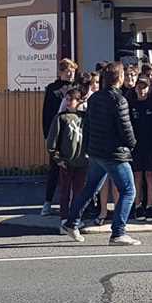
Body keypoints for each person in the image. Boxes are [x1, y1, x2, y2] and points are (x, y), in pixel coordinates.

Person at [63, 62, 140, 245]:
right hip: (114, 153)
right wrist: (133, 144)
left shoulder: (95, 98)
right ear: (119, 78)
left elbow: (87, 124)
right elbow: (125, 127)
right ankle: (118, 232)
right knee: (128, 190)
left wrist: (88, 147)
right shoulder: (119, 100)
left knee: (90, 188)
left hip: (97, 151)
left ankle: (71, 222)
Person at [46, 88, 89, 235]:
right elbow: (52, 142)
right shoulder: (60, 118)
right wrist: (58, 159)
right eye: (67, 99)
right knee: (65, 192)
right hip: (66, 161)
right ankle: (64, 219)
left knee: (79, 192)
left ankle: (74, 219)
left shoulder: (85, 118)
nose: (69, 102)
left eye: (72, 99)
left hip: (82, 162)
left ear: (79, 101)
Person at [41, 58, 78, 217]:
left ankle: (71, 203)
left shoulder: (76, 88)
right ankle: (47, 203)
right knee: (55, 169)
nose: (71, 74)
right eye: (68, 71)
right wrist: (48, 136)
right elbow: (46, 113)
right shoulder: (52, 89)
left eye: (73, 71)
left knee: (74, 169)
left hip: (73, 134)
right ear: (61, 72)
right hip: (57, 134)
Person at [130, 76, 152, 220]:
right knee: (137, 176)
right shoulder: (131, 104)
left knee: (149, 175)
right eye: (139, 87)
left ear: (149, 88)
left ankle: (149, 205)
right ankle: (137, 205)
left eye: (144, 87)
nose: (142, 90)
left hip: (151, 145)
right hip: (135, 146)